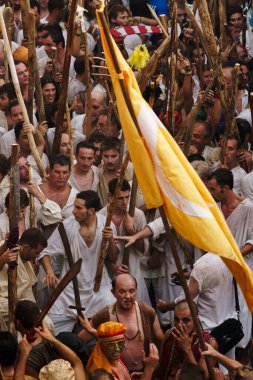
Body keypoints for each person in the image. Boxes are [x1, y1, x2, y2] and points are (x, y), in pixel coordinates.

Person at [39, 190, 119, 334]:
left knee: (113, 327)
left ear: (91, 211)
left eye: (78, 208)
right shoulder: (66, 226)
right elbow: (46, 252)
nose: (73, 211)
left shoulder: (106, 224)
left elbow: (113, 258)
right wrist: (50, 272)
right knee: (49, 330)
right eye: (74, 206)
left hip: (99, 289)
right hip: (69, 291)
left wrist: (111, 239)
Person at [78, 273, 164, 374]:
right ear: (113, 292)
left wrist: (156, 366)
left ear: (136, 291)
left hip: (146, 373)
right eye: (122, 291)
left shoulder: (147, 311)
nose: (127, 296)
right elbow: (79, 341)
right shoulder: (104, 315)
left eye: (131, 291)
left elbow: (161, 339)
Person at [207, 168, 253, 351]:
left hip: (242, 272)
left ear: (226, 188)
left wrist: (234, 256)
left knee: (242, 321)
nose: (210, 193)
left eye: (213, 189)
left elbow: (252, 239)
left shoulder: (248, 208)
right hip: (219, 273)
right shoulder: (215, 209)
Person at [99, 178, 150, 303]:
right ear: (110, 196)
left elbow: (144, 249)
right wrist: (113, 266)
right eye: (120, 198)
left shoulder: (137, 215)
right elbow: (98, 251)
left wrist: (132, 232)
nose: (125, 202)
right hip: (109, 276)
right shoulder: (101, 217)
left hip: (133, 270)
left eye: (127, 197)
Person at [0, 228, 47, 329]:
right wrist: (2, 260)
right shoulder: (4, 247)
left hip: (19, 304)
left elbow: (28, 296)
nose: (36, 257)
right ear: (26, 247)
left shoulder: (26, 261)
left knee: (45, 323)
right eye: (36, 253)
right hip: (2, 303)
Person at [158, 300, 217, 380]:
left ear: (196, 320)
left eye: (185, 320)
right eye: (176, 319)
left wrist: (187, 350)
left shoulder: (208, 344)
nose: (180, 325)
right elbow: (160, 367)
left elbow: (202, 378)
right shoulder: (169, 335)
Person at [86, 321, 159, 379]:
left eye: (120, 343)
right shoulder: (102, 373)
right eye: (111, 345)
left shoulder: (117, 358)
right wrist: (149, 368)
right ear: (101, 346)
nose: (117, 349)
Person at [39, 154, 78, 219]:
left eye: (65, 172)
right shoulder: (36, 191)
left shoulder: (75, 196)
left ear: (70, 173)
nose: (61, 177)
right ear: (49, 171)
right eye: (57, 172)